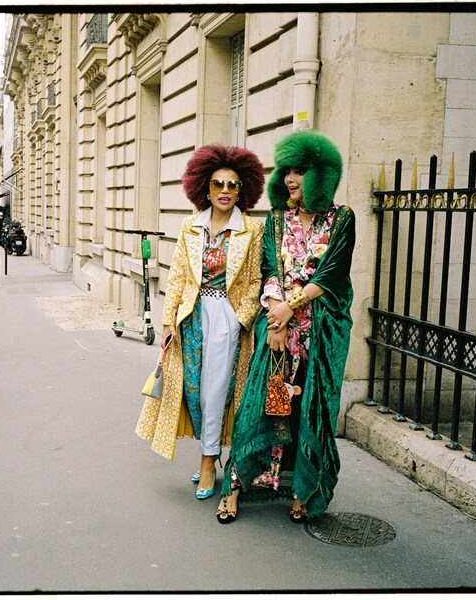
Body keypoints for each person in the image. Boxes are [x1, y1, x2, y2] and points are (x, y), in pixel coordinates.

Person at [215, 130, 355, 525]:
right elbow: (269, 270)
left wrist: (290, 309)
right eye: (287, 172)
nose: (291, 179)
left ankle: (304, 489)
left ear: (321, 175)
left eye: (300, 171)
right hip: (277, 326)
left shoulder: (342, 219)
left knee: (312, 407)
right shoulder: (277, 220)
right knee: (260, 402)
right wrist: (276, 316)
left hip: (321, 331)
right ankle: (236, 486)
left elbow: (331, 274)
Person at [135, 144, 265, 501]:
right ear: (204, 188)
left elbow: (255, 280)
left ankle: (209, 462)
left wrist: (242, 318)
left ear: (243, 190)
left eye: (233, 185)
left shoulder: (252, 230)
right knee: (192, 392)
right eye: (218, 184)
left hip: (227, 317)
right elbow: (177, 276)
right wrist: (167, 322)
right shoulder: (190, 226)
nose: (225, 191)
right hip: (191, 317)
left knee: (215, 393)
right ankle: (210, 450)